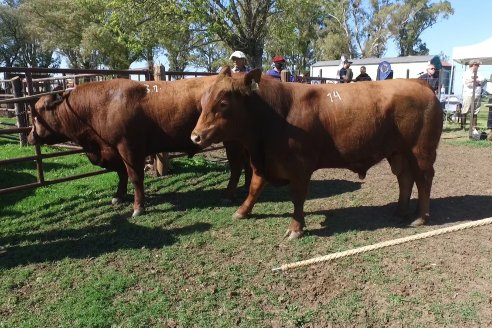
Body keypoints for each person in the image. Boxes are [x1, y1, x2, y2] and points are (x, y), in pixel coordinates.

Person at [461, 58, 485, 130]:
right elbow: (467, 84)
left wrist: (474, 81)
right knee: (465, 110)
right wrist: (476, 82)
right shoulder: (466, 73)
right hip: (468, 94)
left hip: (477, 94)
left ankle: (474, 126)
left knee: (475, 110)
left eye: (478, 65)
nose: (478, 67)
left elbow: (482, 81)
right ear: (472, 65)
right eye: (477, 65)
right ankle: (463, 127)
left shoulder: (479, 74)